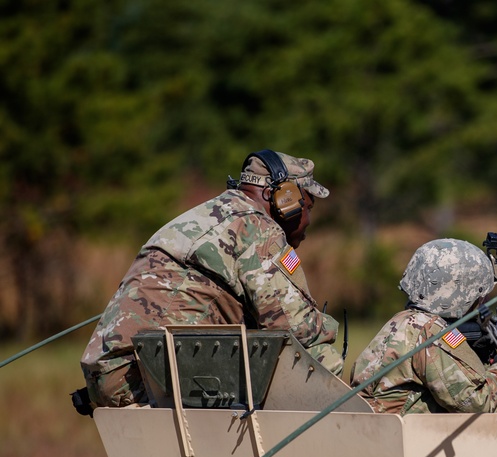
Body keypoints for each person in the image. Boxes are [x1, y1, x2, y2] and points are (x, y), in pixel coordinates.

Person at [80, 149, 342, 408]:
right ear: (285, 200)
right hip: (146, 379)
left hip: (113, 374)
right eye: (308, 206)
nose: (308, 219)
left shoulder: (207, 215)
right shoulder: (257, 228)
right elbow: (296, 330)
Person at [351, 238, 497, 415]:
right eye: (480, 293)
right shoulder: (431, 333)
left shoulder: (403, 321)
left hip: (377, 432)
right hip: (402, 438)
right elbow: (476, 404)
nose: (483, 300)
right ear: (460, 291)